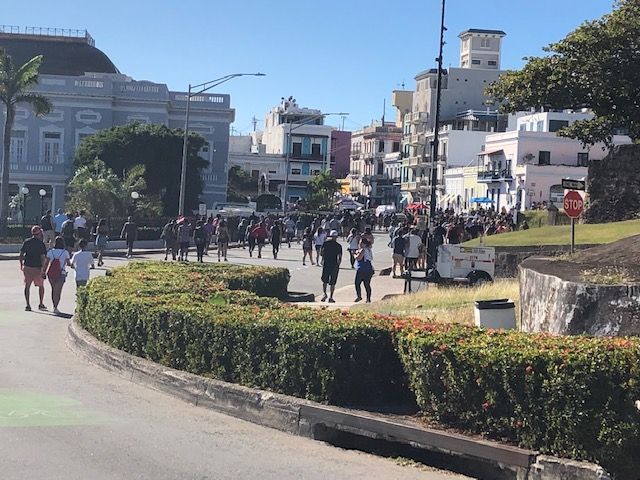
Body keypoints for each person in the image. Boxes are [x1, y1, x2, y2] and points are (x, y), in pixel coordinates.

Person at [19, 226, 48, 312]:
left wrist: (21, 265)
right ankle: (41, 303)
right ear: (39, 234)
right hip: (37, 267)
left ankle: (28, 305)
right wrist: (43, 270)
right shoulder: (41, 244)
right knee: (41, 286)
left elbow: (21, 254)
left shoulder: (27, 242)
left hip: (27, 267)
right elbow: (43, 257)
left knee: (27, 286)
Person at [43, 236, 71, 315]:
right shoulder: (65, 252)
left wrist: (43, 272)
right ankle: (55, 307)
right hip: (61, 273)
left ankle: (53, 305)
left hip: (51, 273)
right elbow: (69, 263)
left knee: (53, 289)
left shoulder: (51, 251)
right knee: (58, 291)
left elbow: (46, 263)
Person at [320, 230, 342, 303]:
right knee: (332, 282)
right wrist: (338, 264)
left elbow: (321, 252)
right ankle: (331, 297)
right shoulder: (338, 246)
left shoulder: (325, 243)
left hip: (327, 263)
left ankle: (324, 294)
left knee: (325, 280)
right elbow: (340, 257)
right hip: (334, 264)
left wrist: (322, 259)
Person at [354, 237, 374, 303]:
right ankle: (368, 299)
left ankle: (359, 296)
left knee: (357, 283)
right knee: (367, 284)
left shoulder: (363, 250)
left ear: (364, 244)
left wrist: (354, 255)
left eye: (360, 243)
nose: (359, 244)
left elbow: (359, 258)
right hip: (369, 268)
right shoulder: (368, 249)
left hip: (362, 268)